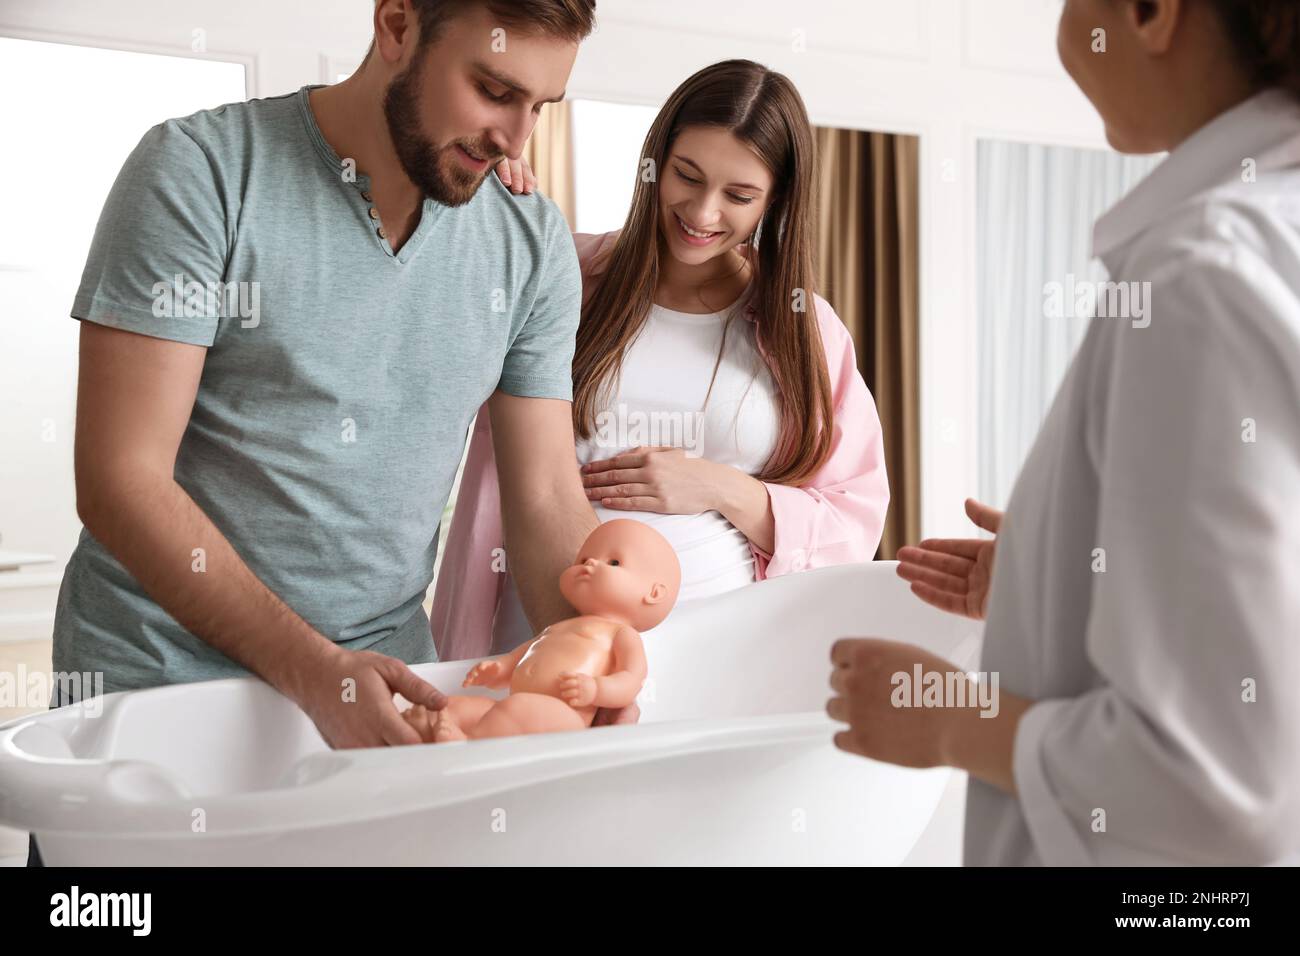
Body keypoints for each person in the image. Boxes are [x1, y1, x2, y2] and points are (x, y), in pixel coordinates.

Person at [829, 0, 1300, 864]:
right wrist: (1062, 576)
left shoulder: (1201, 278)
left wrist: (950, 721)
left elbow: (1221, 792)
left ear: (1154, 13)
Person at [433, 59, 890, 662]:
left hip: (723, 664)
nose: (702, 213)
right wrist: (481, 207)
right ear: (655, 161)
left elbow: (852, 521)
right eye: (686, 176)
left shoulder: (806, 331)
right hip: (542, 652)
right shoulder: (562, 276)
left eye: (739, 195)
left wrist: (722, 488)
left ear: (776, 201)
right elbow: (427, 305)